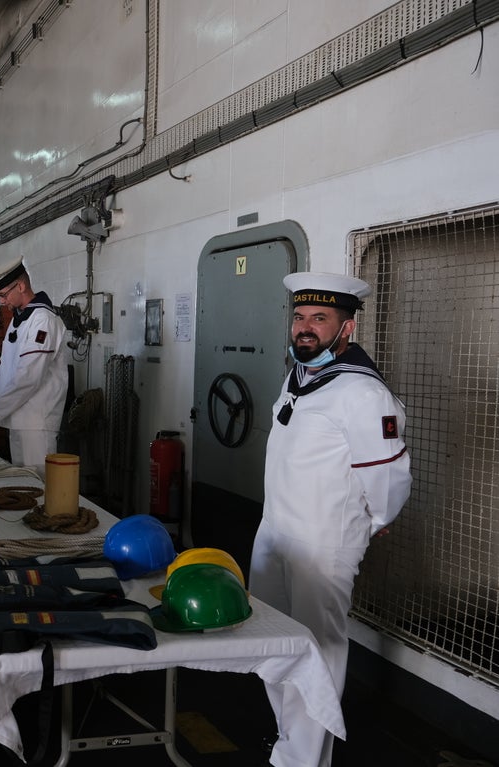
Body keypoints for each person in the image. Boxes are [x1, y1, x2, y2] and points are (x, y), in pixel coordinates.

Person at [250, 272, 411, 767]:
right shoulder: (301, 376)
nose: (305, 328)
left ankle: (303, 760)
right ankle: (288, 741)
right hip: (275, 530)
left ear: (348, 328)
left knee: (315, 653)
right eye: (299, 317)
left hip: (323, 542)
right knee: (271, 643)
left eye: (320, 319)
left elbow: (388, 479)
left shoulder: (364, 394)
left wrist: (371, 522)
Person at [0, 256, 68, 470]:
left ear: (21, 285)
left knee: (39, 486)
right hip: (19, 419)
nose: (1, 301)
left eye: (3, 294)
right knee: (25, 485)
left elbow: (27, 379)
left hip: (37, 423)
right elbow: (4, 372)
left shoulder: (43, 320)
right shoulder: (20, 320)